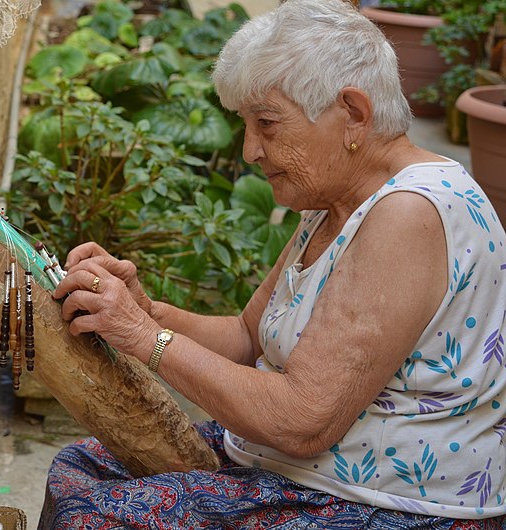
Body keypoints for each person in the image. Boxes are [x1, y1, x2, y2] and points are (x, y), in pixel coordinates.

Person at [38, 0, 506, 528]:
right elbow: (247, 336)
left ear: (352, 113)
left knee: (96, 516)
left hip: (385, 503)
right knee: (82, 466)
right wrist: (146, 313)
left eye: (267, 123)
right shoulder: (336, 198)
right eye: (246, 125)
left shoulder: (410, 213)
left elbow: (302, 422)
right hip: (304, 470)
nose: (250, 150)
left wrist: (144, 338)